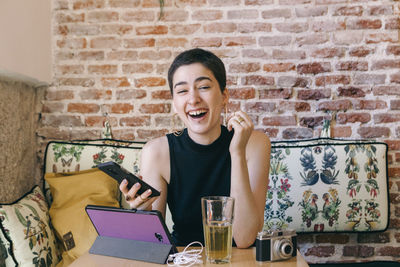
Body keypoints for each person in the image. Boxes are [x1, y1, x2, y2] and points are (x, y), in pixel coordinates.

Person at [120, 48, 271, 248]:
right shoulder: (156, 152)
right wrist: (142, 210)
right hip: (183, 259)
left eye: (204, 87)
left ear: (224, 95)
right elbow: (152, 245)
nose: (193, 99)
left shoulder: (254, 144)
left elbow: (244, 239)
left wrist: (237, 152)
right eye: (182, 91)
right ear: (174, 103)